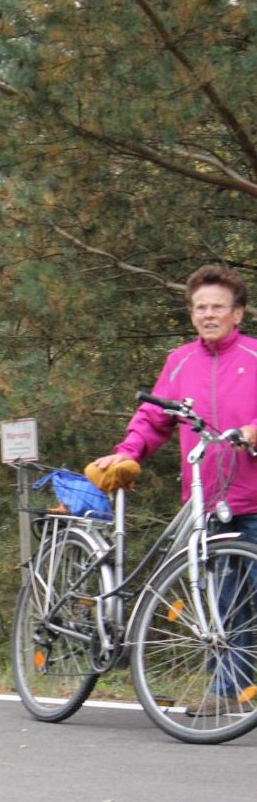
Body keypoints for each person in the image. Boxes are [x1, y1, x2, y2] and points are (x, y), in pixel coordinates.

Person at [90, 263, 257, 714]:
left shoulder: (256, 358)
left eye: (217, 307)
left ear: (237, 313)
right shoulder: (180, 362)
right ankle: (228, 693)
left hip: (255, 498)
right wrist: (128, 452)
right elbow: (153, 419)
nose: (208, 314)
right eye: (200, 307)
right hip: (207, 502)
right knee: (224, 605)